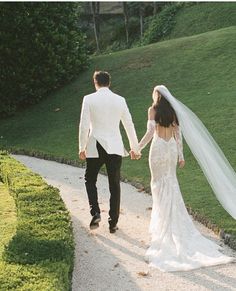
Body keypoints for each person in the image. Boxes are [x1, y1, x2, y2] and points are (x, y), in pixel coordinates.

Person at [138, 85, 235, 271]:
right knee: (171, 183)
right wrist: (181, 155)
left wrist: (138, 147)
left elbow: (151, 133)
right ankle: (170, 221)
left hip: (158, 148)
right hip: (171, 149)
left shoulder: (153, 110)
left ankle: (162, 224)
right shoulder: (173, 112)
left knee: (158, 185)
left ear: (157, 96)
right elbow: (178, 134)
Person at [79, 71, 140, 233]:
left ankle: (96, 212)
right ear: (109, 83)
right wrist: (135, 147)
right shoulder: (120, 100)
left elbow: (84, 125)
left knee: (90, 179)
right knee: (114, 184)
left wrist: (81, 146)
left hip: (95, 145)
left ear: (95, 83)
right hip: (114, 146)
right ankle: (113, 222)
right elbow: (129, 124)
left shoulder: (88, 99)